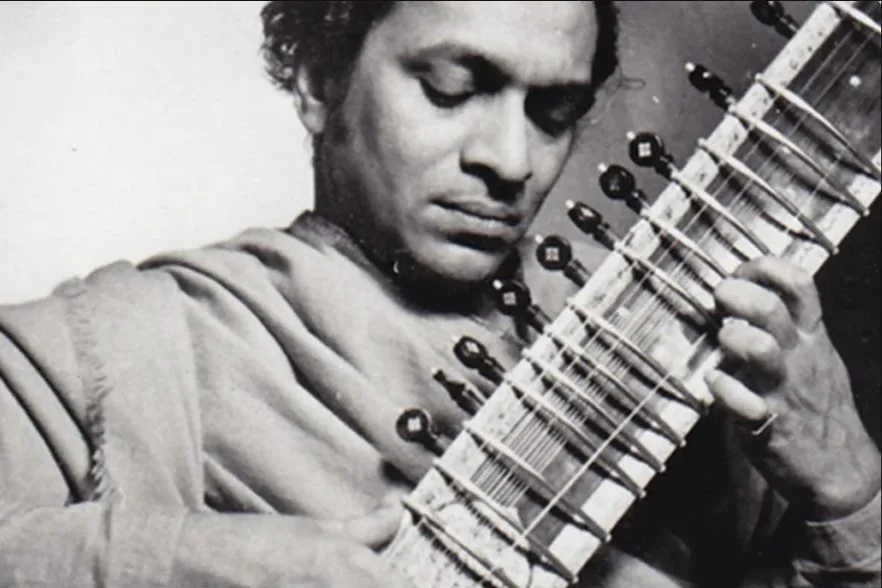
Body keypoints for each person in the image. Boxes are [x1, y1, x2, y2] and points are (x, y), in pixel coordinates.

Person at [0, 1, 879, 587]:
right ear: (318, 80)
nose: (509, 159)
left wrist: (849, 496)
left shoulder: (677, 347)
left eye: (555, 114)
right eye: (452, 90)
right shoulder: (128, 345)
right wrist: (205, 565)